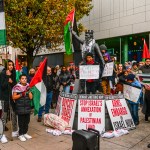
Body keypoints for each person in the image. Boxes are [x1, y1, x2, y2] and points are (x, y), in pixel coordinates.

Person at [0, 60, 18, 143]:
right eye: (9, 65)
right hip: (4, 97)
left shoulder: (14, 73)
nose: (11, 66)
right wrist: (7, 78)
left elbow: (14, 85)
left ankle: (14, 131)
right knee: (4, 115)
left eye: (12, 65)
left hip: (11, 97)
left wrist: (12, 81)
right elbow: (2, 86)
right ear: (7, 66)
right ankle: (1, 134)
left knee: (14, 113)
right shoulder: (3, 73)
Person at [12, 74, 33, 142]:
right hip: (20, 107)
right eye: (22, 78)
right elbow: (14, 97)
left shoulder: (28, 86)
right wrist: (21, 94)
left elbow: (31, 97)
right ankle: (20, 134)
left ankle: (25, 133)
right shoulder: (16, 87)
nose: (24, 79)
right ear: (20, 80)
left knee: (27, 122)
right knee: (21, 122)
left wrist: (29, 91)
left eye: (25, 78)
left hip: (27, 107)